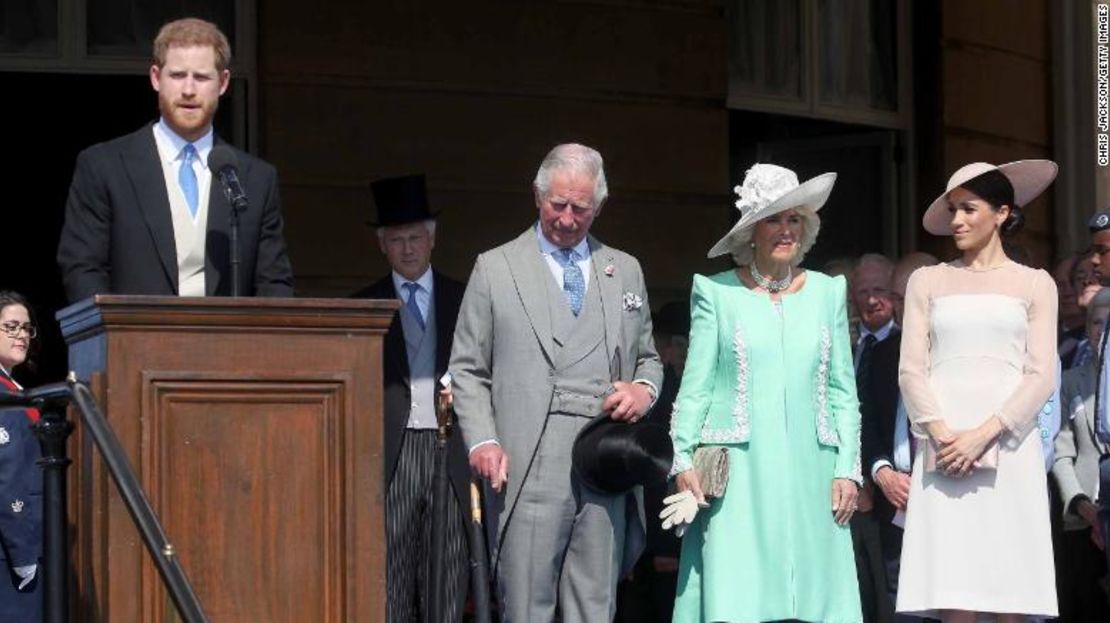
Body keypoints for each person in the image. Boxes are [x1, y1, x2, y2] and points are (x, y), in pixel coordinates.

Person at [449, 143, 662, 622]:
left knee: (596, 607)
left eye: (580, 208)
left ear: (599, 206)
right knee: (526, 605)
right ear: (537, 196)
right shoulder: (496, 268)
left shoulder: (624, 269)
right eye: (557, 205)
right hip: (529, 462)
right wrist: (483, 439)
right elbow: (467, 368)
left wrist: (643, 391)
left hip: (605, 460)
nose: (567, 219)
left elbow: (649, 358)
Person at [668, 163, 862, 623]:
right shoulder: (715, 294)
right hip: (739, 474)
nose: (786, 229)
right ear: (750, 232)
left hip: (814, 470)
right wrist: (681, 459)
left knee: (814, 601)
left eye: (794, 219)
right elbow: (693, 388)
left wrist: (847, 468)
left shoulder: (828, 292)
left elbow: (842, 391)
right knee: (740, 600)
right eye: (774, 219)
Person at [896, 160, 1059, 620]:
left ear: (1002, 213)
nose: (957, 222)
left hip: (1009, 448)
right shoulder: (926, 281)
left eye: (968, 209)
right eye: (952, 210)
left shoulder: (1035, 283)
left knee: (1011, 594)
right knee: (954, 592)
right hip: (943, 452)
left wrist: (984, 434)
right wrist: (945, 436)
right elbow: (911, 370)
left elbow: (1041, 375)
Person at [57, 17, 293, 302]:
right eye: (178, 75)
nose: (189, 90)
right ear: (156, 78)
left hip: (228, 344)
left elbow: (273, 282)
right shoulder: (104, 166)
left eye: (202, 77)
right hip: (133, 342)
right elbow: (83, 270)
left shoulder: (255, 179)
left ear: (223, 83)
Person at [350, 175, 470, 622]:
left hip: (450, 450)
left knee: (448, 571)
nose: (407, 248)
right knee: (391, 576)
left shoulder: (466, 299)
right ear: (382, 245)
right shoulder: (364, 306)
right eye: (396, 239)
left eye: (415, 237)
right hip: (393, 454)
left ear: (432, 239)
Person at [1052, 287, 1110, 621]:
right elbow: (1061, 454)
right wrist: (1083, 506)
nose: (1103, 330)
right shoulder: (1070, 381)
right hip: (1081, 516)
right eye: (1097, 323)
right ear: (1087, 329)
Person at [0, 291, 43, 621]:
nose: (21, 335)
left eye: (26, 328)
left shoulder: (12, 388)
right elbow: (8, 475)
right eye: (11, 326)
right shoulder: (4, 396)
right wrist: (24, 555)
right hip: (12, 552)